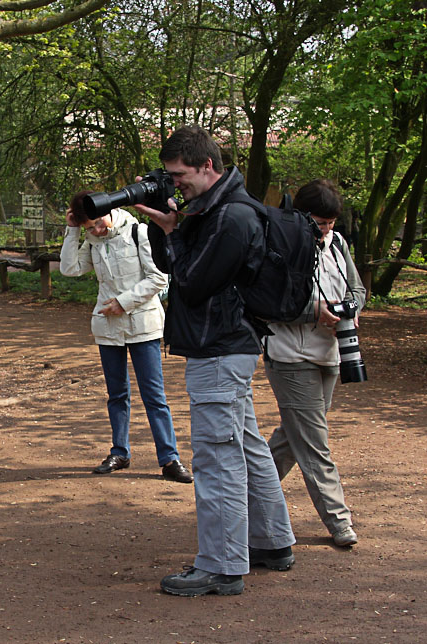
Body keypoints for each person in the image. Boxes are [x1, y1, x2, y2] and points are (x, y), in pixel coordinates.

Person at [133, 125, 295, 597]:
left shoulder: (232, 217)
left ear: (207, 165)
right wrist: (168, 229)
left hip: (220, 348)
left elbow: (193, 281)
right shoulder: (216, 208)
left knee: (216, 456)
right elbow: (174, 267)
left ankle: (222, 566)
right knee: (244, 444)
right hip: (226, 346)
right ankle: (270, 542)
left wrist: (173, 233)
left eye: (179, 174)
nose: (174, 182)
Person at [59, 191, 192, 483]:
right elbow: (69, 269)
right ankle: (120, 452)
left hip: (143, 324)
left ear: (108, 211)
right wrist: (72, 230)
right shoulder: (93, 241)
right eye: (88, 228)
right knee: (117, 395)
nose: (95, 230)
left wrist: (124, 302)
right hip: (108, 328)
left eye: (97, 223)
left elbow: (159, 277)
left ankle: (169, 459)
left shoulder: (138, 232)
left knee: (154, 395)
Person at [263, 180, 365, 547]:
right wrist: (314, 313)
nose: (326, 230)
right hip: (291, 357)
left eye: (331, 223)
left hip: (330, 354)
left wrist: (347, 310)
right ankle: (339, 522)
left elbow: (357, 290)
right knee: (314, 442)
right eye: (321, 223)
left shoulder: (337, 244)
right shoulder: (277, 246)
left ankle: (244, 497)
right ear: (302, 216)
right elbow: (269, 303)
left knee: (294, 437)